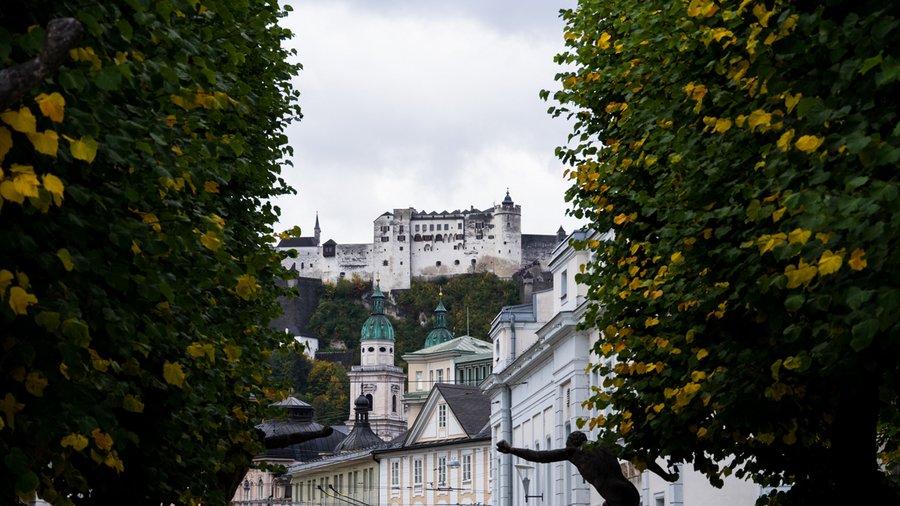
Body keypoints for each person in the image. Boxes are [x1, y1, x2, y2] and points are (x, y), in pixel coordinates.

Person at [496, 431, 677, 506]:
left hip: (614, 494)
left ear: (572, 444)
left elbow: (540, 456)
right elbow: (641, 459)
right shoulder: (607, 446)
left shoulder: (573, 453)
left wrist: (511, 450)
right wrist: (665, 476)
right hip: (630, 492)